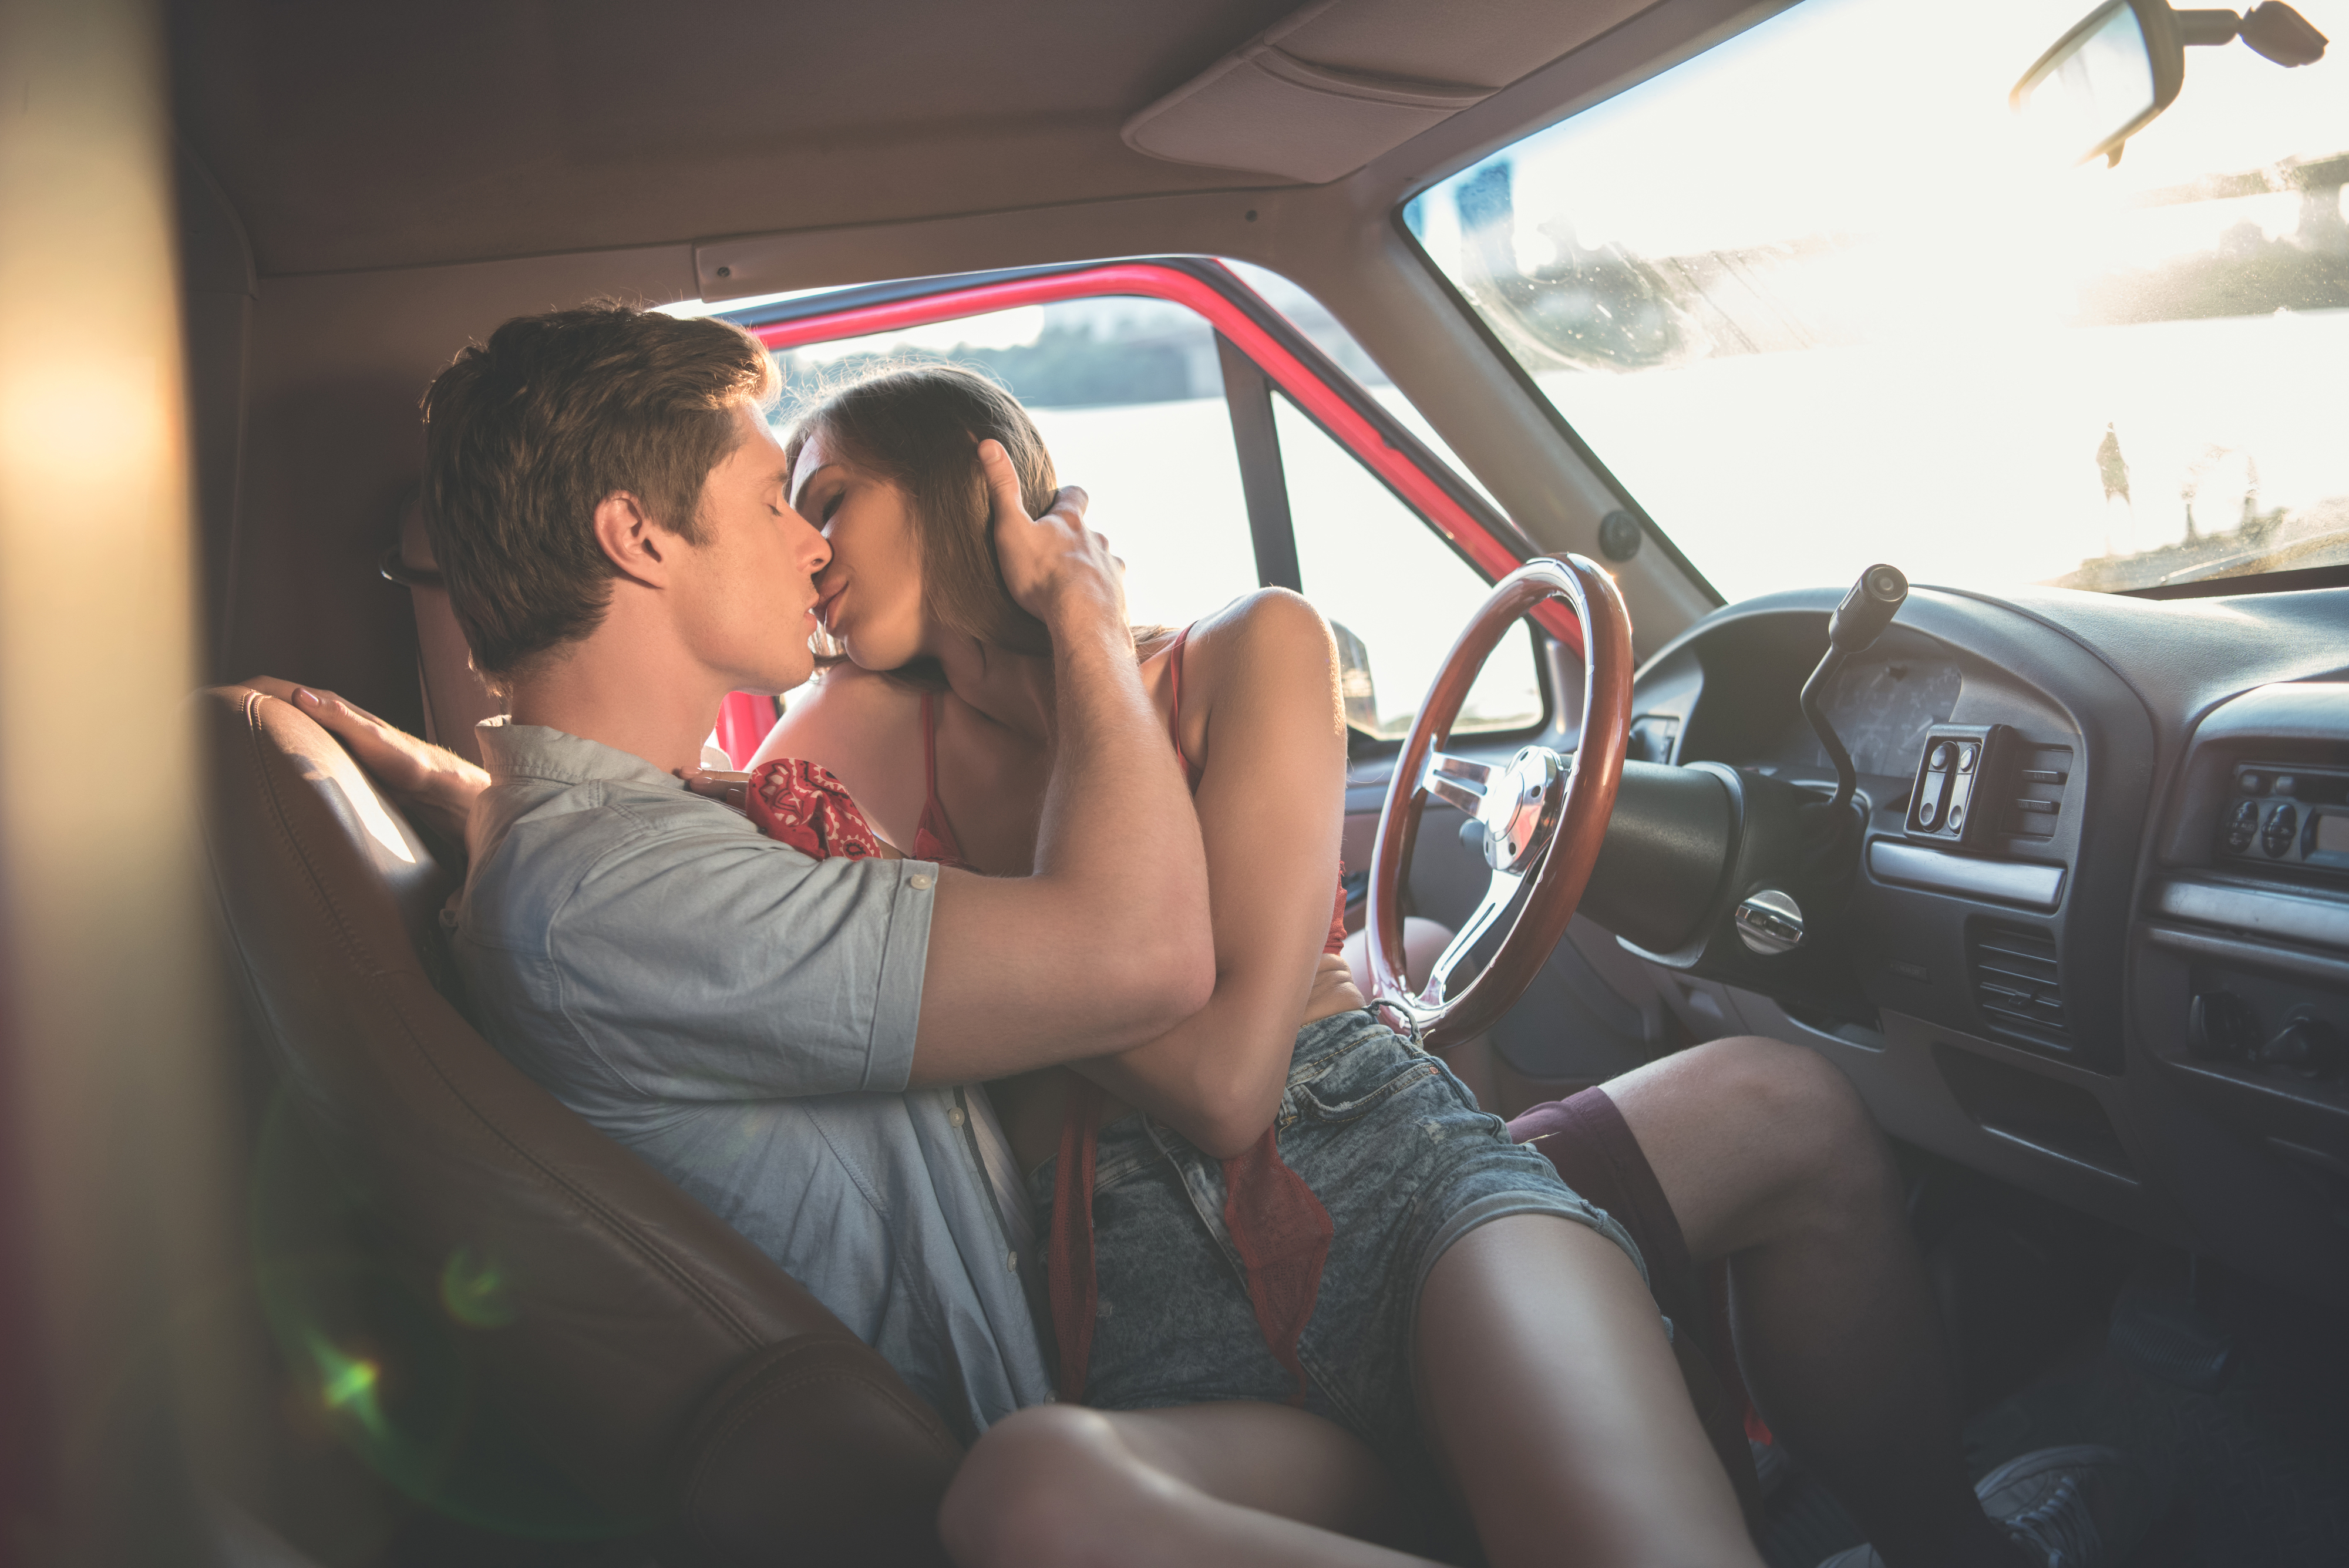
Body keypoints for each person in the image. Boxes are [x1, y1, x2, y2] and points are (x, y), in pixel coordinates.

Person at [255, 304, 2152, 1568]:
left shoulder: (1219, 659)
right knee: (1056, 1485)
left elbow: (625, 849)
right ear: (643, 539)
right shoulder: (755, 793)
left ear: (975, 489)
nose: (810, 546)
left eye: (827, 499)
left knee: (1773, 1112)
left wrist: (435, 775)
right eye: (779, 502)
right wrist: (462, 790)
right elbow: (1177, 1031)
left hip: (1371, 1186)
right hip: (1131, 1309)